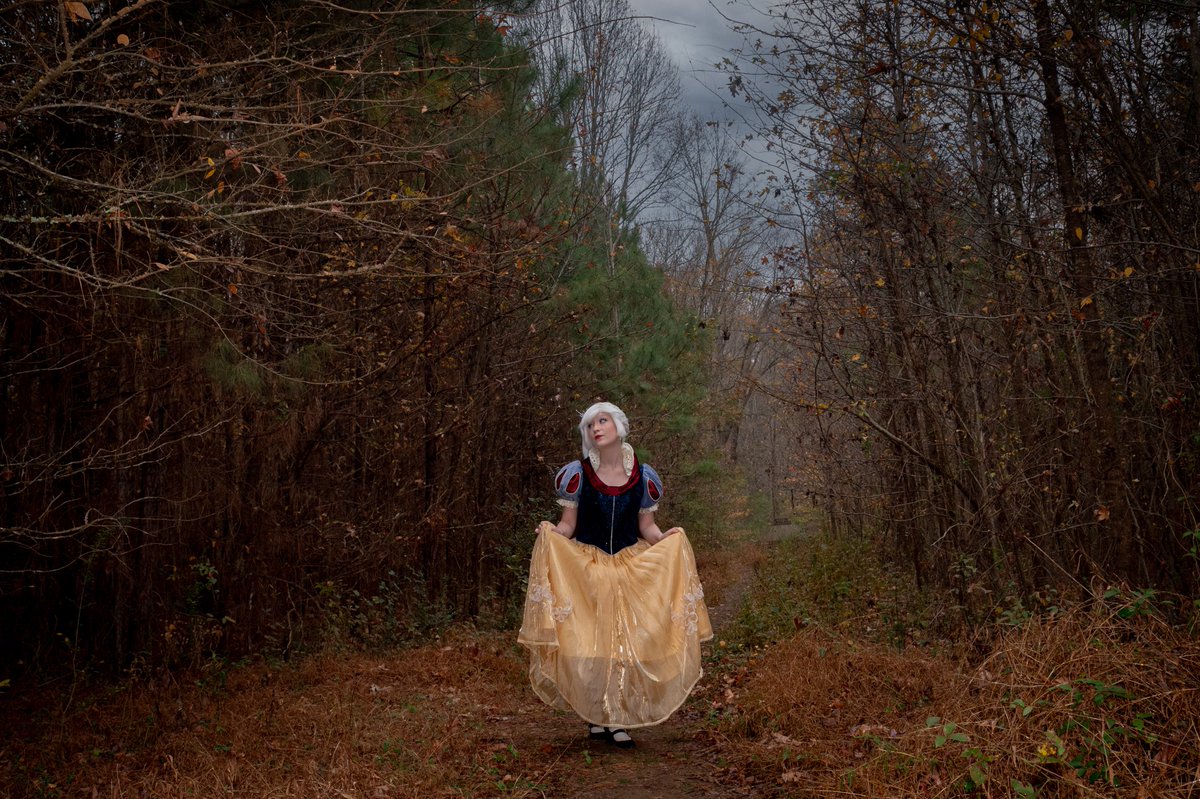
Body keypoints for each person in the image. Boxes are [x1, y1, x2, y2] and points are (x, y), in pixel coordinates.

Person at [517, 402, 713, 749]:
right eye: (590, 424)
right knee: (591, 643)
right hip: (587, 568)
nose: (596, 428)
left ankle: (617, 716)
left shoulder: (644, 476)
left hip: (627, 565)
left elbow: (647, 528)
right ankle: (596, 716)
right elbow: (568, 525)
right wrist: (551, 532)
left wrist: (666, 539)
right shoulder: (577, 475)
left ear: (619, 425)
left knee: (625, 642)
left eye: (602, 420)